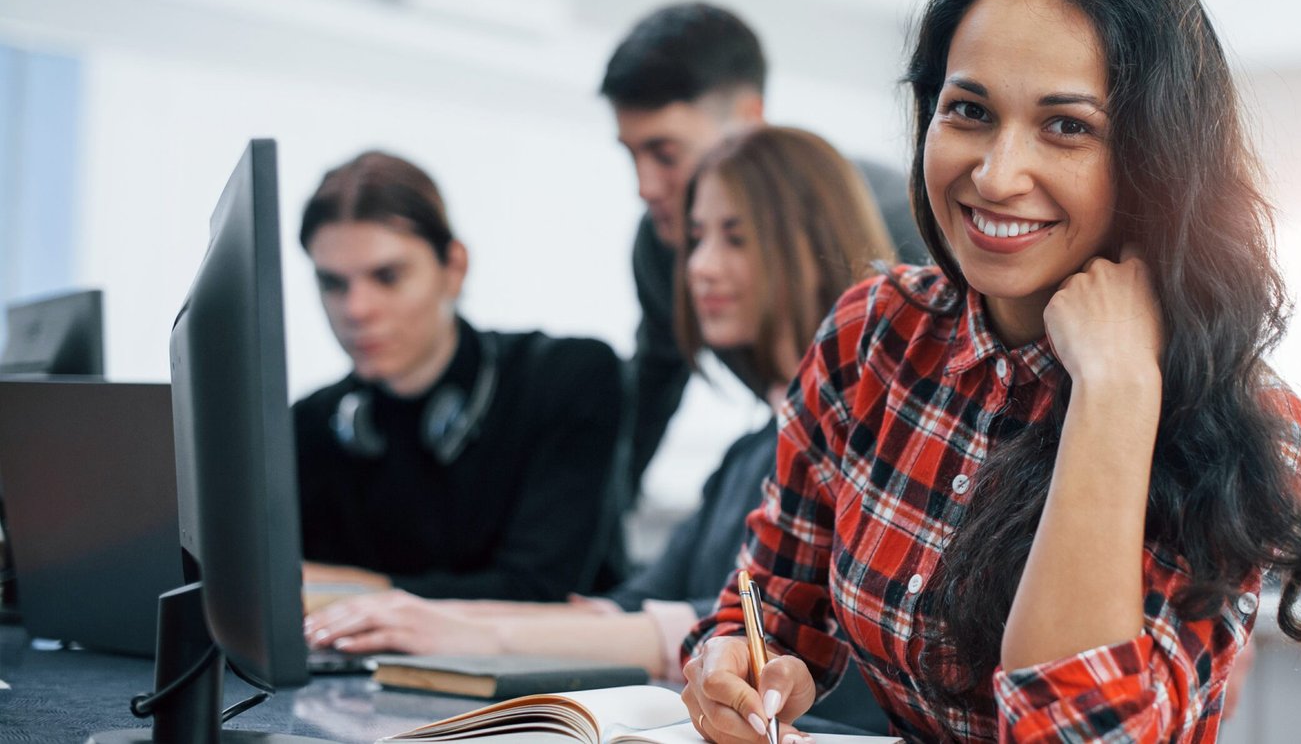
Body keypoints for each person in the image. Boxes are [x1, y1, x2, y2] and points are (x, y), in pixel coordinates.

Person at [679, 0, 1301, 743]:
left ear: (1156, 157)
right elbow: (771, 600)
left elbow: (1081, 737)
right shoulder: (873, 334)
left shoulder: (1236, 420)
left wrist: (1112, 392)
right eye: (968, 111)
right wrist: (738, 663)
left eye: (1067, 126)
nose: (997, 175)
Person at [301, 128, 895, 732]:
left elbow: (695, 630)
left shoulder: (867, 439)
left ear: (809, 242)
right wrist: (425, 617)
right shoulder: (746, 455)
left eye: (734, 238)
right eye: (695, 239)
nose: (699, 267)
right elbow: (627, 608)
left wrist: (464, 628)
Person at [600, 2, 925, 502]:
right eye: (631, 154)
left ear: (750, 121)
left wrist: (738, 582)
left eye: (666, 154)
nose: (644, 187)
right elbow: (750, 575)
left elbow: (753, 580)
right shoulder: (751, 466)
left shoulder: (907, 230)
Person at [295, 151, 626, 601]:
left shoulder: (563, 379)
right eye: (333, 284)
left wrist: (358, 593)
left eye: (387, 277)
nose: (356, 310)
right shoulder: (310, 425)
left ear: (454, 268)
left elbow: (537, 592)